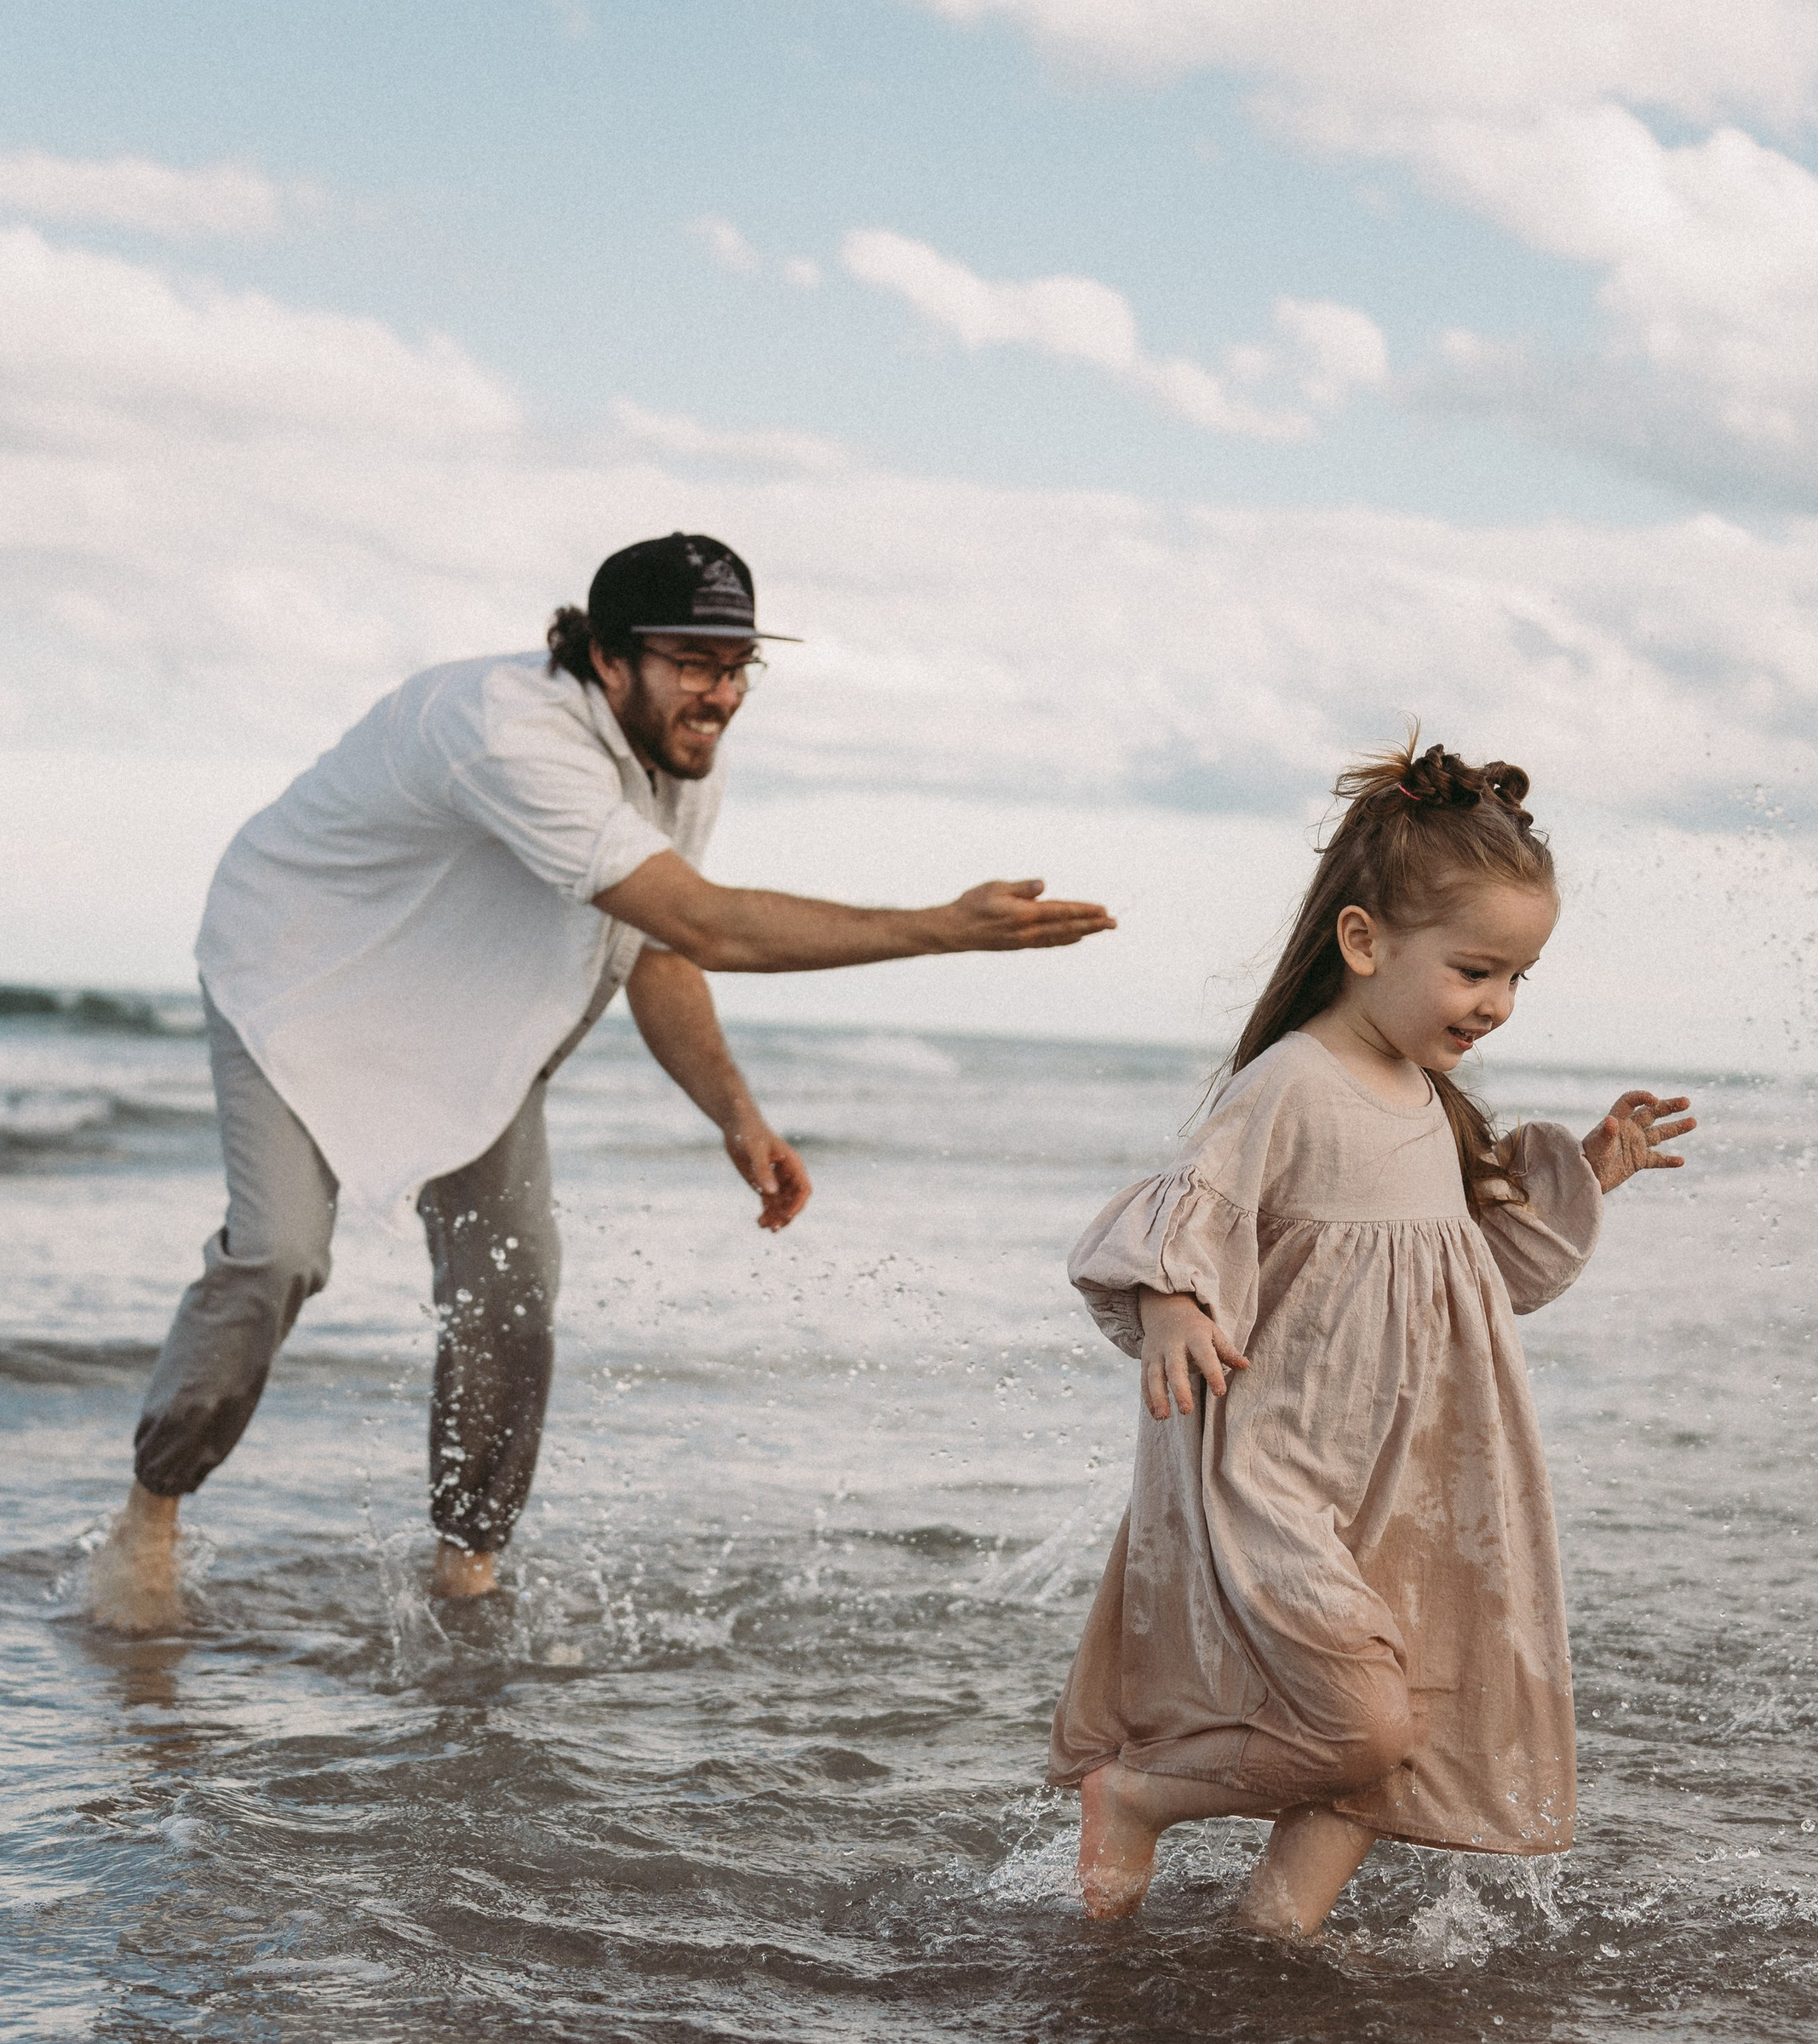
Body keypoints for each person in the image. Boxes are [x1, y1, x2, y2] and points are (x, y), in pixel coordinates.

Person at [89, 531, 1114, 1634]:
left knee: (512, 1289)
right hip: (301, 983)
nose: (721, 695)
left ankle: (466, 1571)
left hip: (473, 1020)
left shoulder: (675, 766)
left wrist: (735, 1114)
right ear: (608, 658)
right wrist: (942, 928)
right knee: (279, 1254)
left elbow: (657, 952)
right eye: (694, 663)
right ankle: (152, 1514)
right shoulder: (507, 732)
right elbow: (705, 925)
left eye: (739, 667)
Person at [1047, 736, 1694, 1938]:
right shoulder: (1291, 1083)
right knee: (1360, 1723)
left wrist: (1594, 1170)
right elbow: (1182, 1216)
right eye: (1474, 971)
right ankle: (1137, 1798)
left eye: (1518, 978)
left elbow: (1479, 1279)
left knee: (1409, 1723)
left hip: (1406, 1482)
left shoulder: (1432, 1105)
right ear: (1363, 942)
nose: (1496, 1005)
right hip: (1282, 1472)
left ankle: (1274, 1938)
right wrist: (1173, 1302)